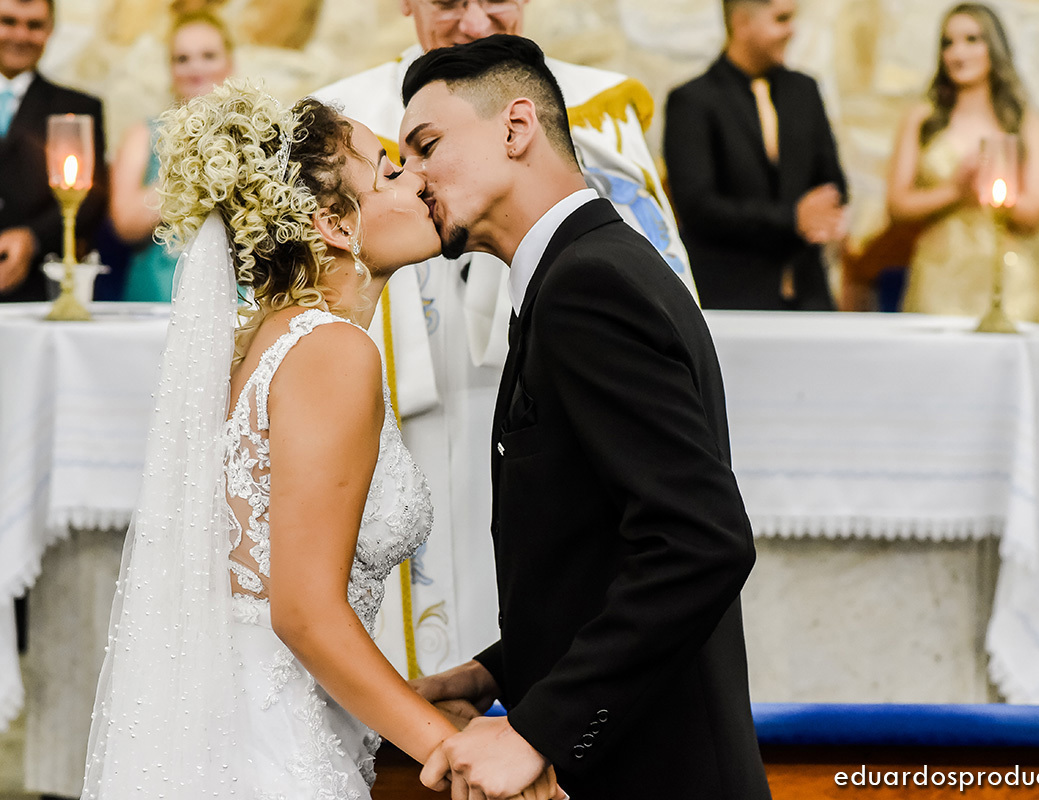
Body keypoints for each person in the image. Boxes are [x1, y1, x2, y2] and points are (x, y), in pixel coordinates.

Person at [82, 81, 561, 800]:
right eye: (391, 171)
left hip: (243, 723)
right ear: (334, 223)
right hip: (271, 749)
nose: (420, 179)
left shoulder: (267, 342)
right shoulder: (332, 351)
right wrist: (456, 750)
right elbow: (303, 611)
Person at [398, 36, 770, 800]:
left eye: (426, 147)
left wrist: (538, 729)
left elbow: (700, 542)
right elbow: (600, 548)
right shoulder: (580, 271)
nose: (412, 180)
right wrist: (498, 671)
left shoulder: (588, 285)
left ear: (516, 127)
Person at [313, 0, 695, 679]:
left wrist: (542, 721)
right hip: (405, 426)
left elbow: (682, 524)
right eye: (448, 2)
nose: (474, 22)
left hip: (554, 414)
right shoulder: (341, 122)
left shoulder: (593, 113)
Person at [664, 0, 848, 310]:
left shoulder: (804, 91)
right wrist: (792, 218)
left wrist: (826, 212)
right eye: (781, 19)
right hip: (730, 293)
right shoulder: (693, 101)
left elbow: (833, 181)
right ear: (742, 23)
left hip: (808, 294)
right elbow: (697, 207)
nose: (792, 31)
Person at [886, 2, 1039, 323]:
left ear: (994, 48)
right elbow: (897, 206)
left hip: (1007, 277)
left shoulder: (1022, 121)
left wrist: (992, 191)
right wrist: (954, 191)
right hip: (939, 278)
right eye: (948, 43)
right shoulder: (922, 118)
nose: (958, 53)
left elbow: (1035, 214)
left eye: (972, 40)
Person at [109, 9, 234, 302]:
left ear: (229, 62)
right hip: (161, 291)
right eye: (182, 59)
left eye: (208, 55)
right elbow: (125, 224)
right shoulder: (144, 133)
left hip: (235, 291)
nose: (195, 68)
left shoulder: (257, 134)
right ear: (171, 69)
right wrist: (192, 169)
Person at [0, 0, 106, 302]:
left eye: (34, 25)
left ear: (49, 30)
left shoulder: (78, 107)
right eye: (8, 21)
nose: (21, 35)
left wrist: (32, 238)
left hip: (37, 289)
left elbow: (91, 197)